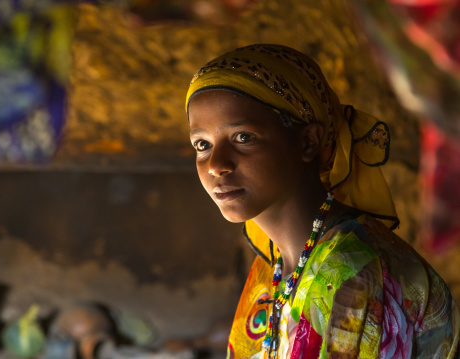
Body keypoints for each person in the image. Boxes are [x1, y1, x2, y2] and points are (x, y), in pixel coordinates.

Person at [185, 44, 459, 359]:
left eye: (243, 137)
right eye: (202, 144)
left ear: (308, 141)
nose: (216, 164)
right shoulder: (272, 266)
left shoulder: (353, 273)